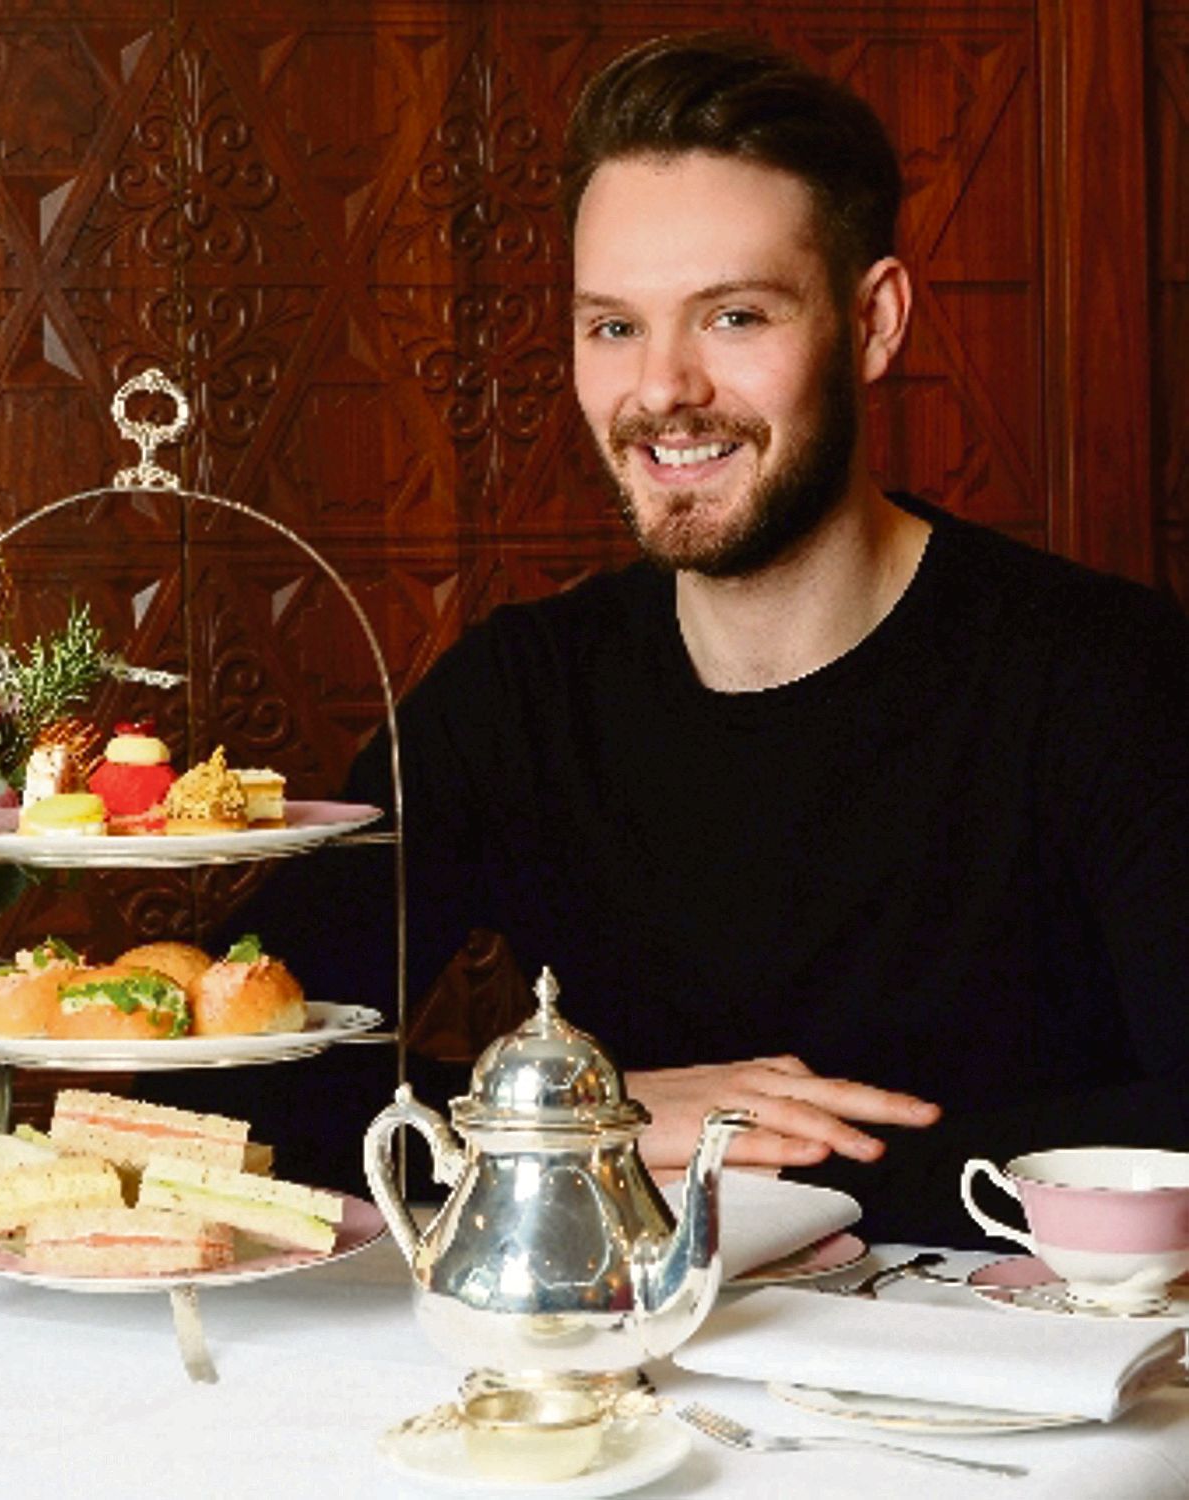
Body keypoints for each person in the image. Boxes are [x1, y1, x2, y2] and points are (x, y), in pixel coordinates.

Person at [162, 32, 1189, 1247]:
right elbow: (222, 1079)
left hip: (1029, 1394)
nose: (663, 391)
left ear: (873, 323)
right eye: (612, 328)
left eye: (735, 316)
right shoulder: (516, 700)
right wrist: (573, 1120)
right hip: (615, 1381)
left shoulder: (1116, 680)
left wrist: (759, 1169)